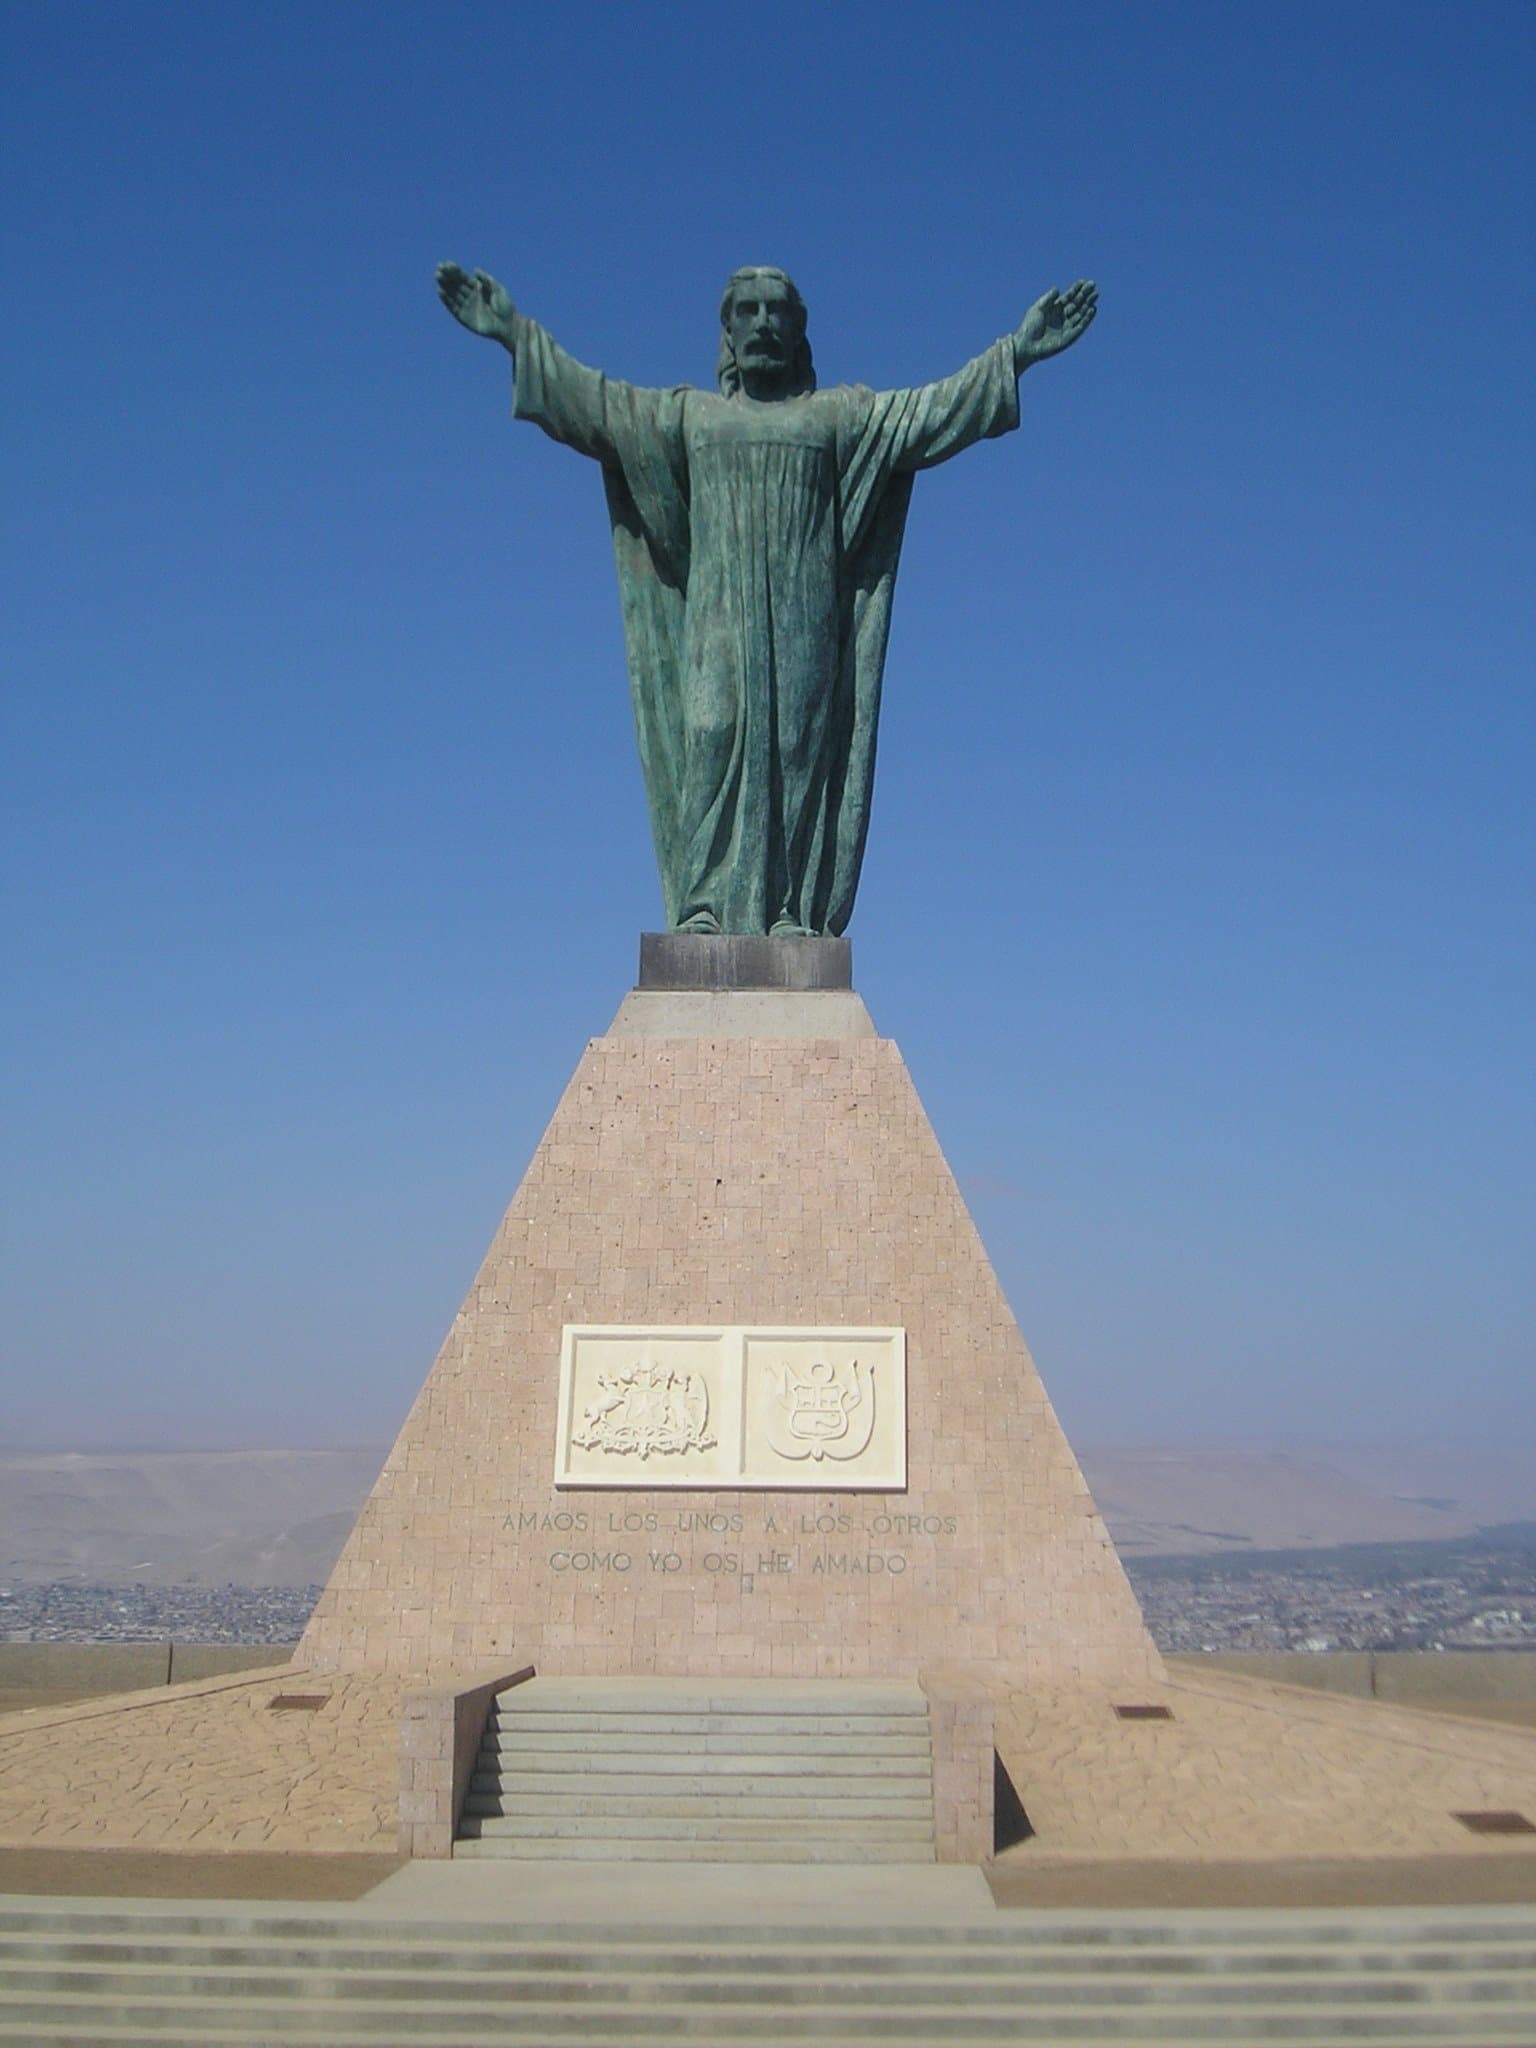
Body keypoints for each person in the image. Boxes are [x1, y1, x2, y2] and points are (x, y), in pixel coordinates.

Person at [437, 262, 1096, 936]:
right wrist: (514, 336)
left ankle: (789, 911)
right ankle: (701, 908)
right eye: (745, 311)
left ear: (797, 330)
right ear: (726, 331)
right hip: (716, 623)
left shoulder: (837, 416)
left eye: (775, 311)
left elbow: (931, 413)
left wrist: (1015, 353)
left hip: (804, 621)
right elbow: (598, 405)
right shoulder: (689, 416)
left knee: (798, 755)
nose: (760, 323)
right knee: (712, 737)